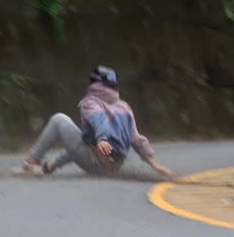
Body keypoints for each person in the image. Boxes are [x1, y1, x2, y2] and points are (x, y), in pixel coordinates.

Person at [21, 66, 175, 178]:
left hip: (96, 162)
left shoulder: (91, 102)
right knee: (84, 139)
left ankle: (31, 162)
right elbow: (136, 138)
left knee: (59, 119)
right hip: (112, 169)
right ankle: (49, 166)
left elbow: (99, 119)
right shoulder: (124, 106)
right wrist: (155, 164)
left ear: (94, 83)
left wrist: (102, 138)